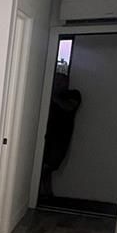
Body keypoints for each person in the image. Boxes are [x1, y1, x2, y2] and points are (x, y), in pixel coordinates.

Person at [40, 71, 82, 199]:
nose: (58, 84)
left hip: (61, 137)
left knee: (48, 166)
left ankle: (42, 192)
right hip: (46, 135)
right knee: (43, 165)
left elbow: (69, 107)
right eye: (56, 81)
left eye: (61, 81)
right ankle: (46, 194)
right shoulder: (48, 95)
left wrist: (52, 96)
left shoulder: (73, 94)